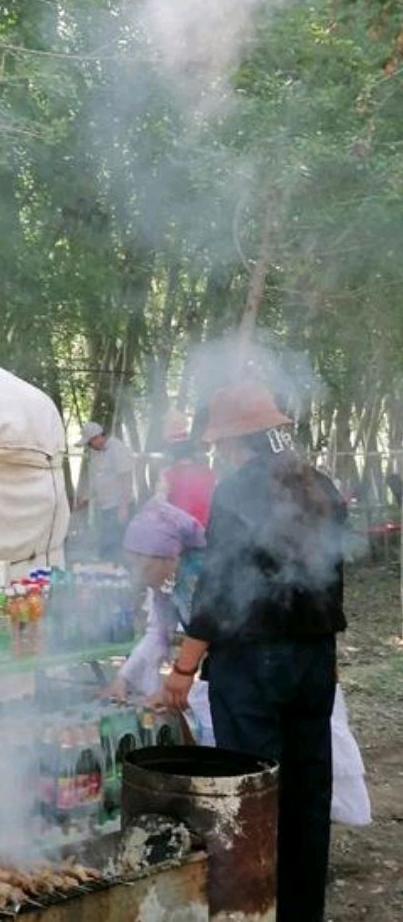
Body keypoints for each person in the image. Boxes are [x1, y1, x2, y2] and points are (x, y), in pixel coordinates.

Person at [163, 381, 347, 922]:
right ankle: (301, 911)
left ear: (231, 440)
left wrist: (183, 666)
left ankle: (257, 909)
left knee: (257, 793)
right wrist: (325, 651)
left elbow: (219, 589)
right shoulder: (320, 483)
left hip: (254, 665)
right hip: (313, 662)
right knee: (307, 794)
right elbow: (332, 578)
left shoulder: (239, 489)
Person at [106, 495, 206, 702]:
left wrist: (180, 679)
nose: (138, 577)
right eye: (131, 566)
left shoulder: (201, 573)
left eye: (144, 567)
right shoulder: (166, 580)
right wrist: (124, 677)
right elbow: (159, 632)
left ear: (171, 556)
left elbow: (209, 631)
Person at [77, 421, 135, 561]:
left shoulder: (117, 448)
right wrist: (87, 498)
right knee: (107, 544)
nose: (89, 446)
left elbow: (126, 479)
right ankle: (109, 572)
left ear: (98, 437)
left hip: (119, 506)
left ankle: (121, 576)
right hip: (106, 507)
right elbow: (98, 478)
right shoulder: (96, 452)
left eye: (90, 443)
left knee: (114, 546)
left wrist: (123, 507)